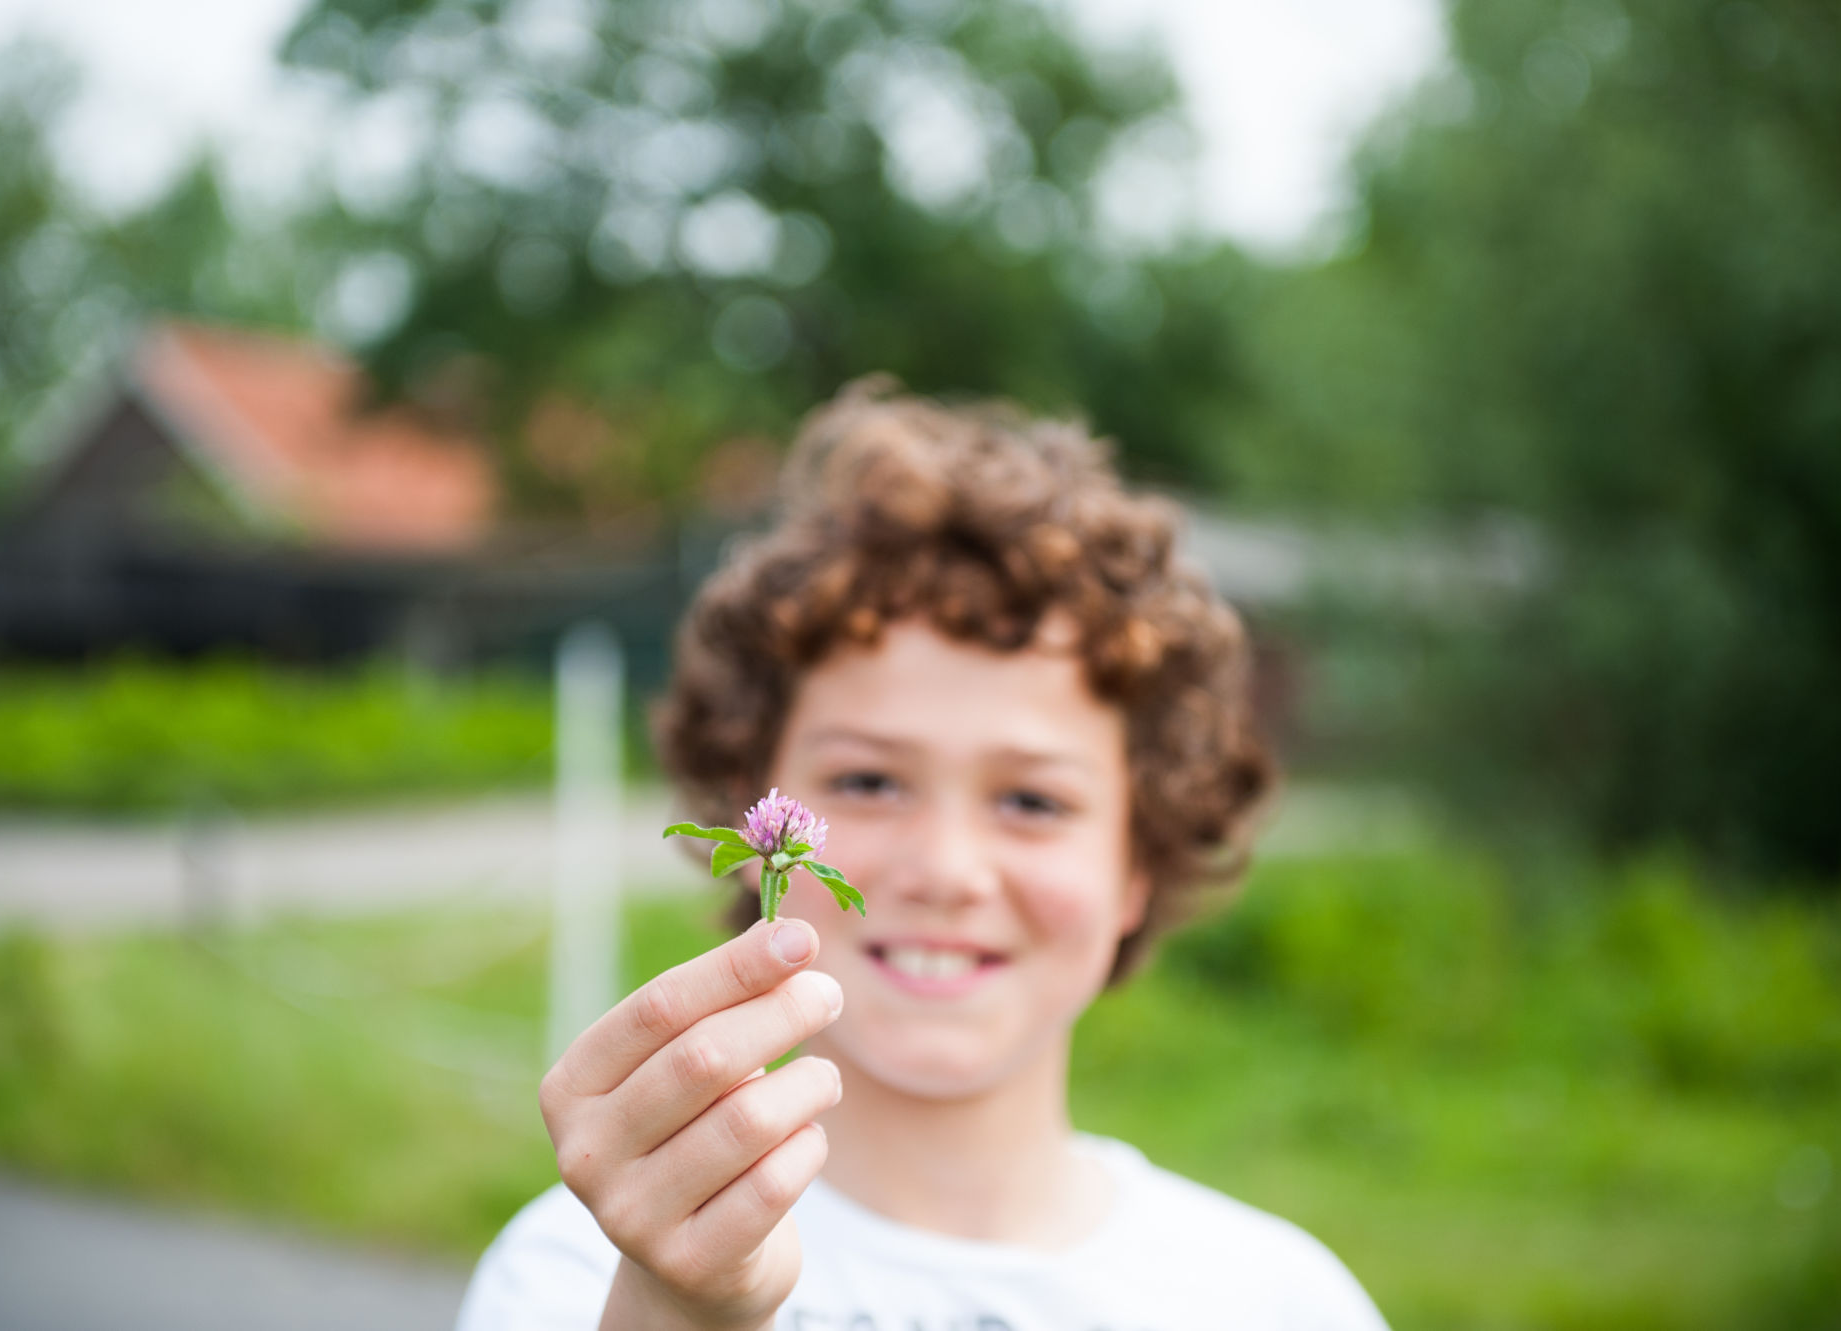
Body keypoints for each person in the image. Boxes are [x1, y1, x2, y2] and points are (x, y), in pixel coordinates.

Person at [456, 379, 1389, 1331]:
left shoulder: (1281, 1300)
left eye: (1033, 800)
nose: (945, 870)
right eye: (868, 782)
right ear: (751, 827)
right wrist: (676, 1310)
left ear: (1137, 868)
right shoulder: (579, 1270)